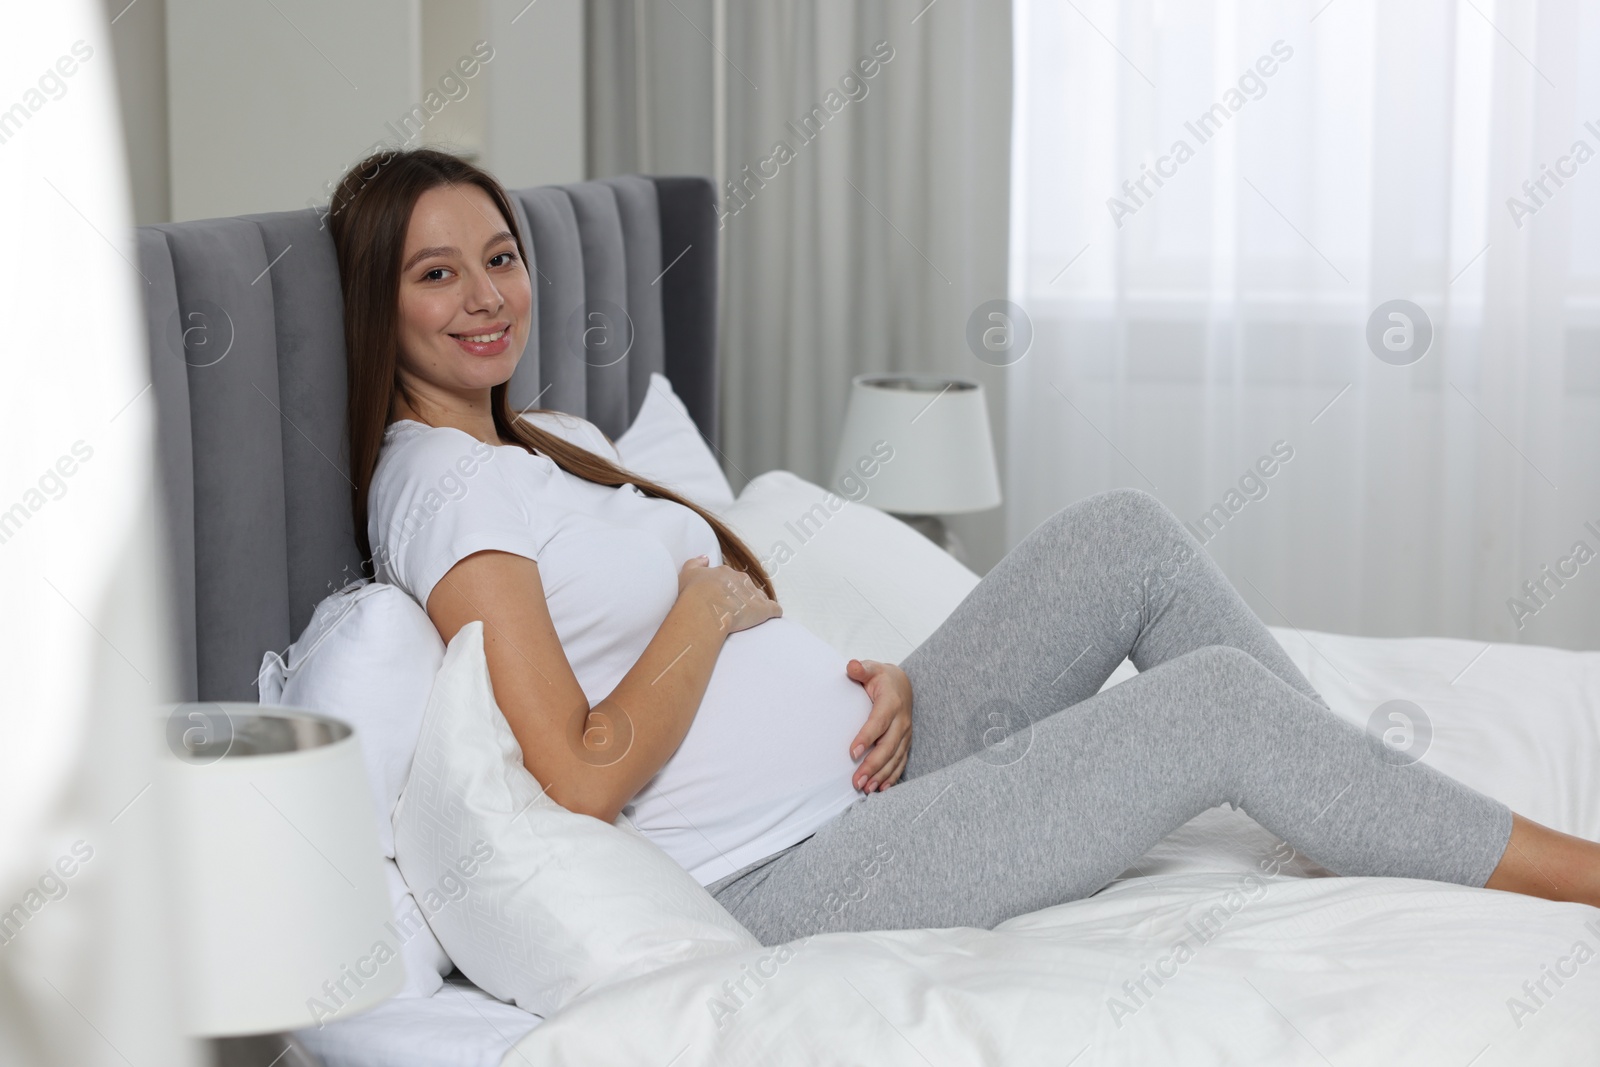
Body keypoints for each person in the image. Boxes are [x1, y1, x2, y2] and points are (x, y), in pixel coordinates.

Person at [328, 147, 1600, 948]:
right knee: (1211, 708)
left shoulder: (536, 443)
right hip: (789, 871)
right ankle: (1571, 870)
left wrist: (862, 671)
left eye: (499, 257)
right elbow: (579, 773)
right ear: (376, 300)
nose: (486, 295)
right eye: (437, 275)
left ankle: (1343, 798)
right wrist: (706, 611)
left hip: (867, 765)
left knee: (1124, 540)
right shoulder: (443, 492)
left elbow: (712, 625)